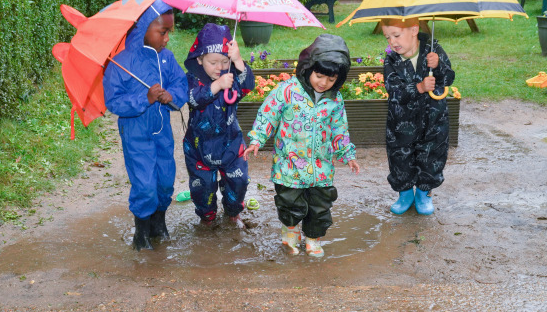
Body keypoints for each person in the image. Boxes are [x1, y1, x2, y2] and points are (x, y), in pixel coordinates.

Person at [244, 34, 360, 257]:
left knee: (320, 204)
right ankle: (290, 231)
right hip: (289, 165)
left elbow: (339, 129)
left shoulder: (335, 100)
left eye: (331, 79)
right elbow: (268, 114)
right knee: (289, 201)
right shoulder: (287, 90)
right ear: (308, 67)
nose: (323, 82)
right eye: (319, 76)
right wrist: (257, 139)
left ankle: (313, 239)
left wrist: (348, 154)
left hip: (321, 167)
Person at [103, 0, 188, 251]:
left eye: (169, 33)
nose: (166, 39)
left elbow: (180, 84)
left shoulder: (167, 59)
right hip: (136, 132)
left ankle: (158, 224)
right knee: (144, 183)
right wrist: (145, 97)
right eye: (162, 32)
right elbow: (114, 101)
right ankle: (141, 232)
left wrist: (171, 95)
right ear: (143, 28)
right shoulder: (122, 62)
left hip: (162, 131)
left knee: (165, 180)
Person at [380, 18, 455, 216]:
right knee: (400, 158)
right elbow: (393, 90)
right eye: (388, 37)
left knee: (431, 156)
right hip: (401, 122)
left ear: (414, 30)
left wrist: (438, 66)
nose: (392, 42)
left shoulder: (433, 51)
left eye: (396, 35)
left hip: (433, 119)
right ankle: (404, 193)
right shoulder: (391, 60)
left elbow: (448, 78)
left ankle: (424, 193)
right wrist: (419, 87)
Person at [183, 23, 255, 227]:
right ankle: (207, 216)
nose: (219, 67)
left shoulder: (232, 76)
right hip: (199, 147)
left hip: (230, 144)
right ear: (199, 59)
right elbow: (193, 99)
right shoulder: (192, 79)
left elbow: (249, 85)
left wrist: (238, 60)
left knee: (238, 181)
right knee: (202, 186)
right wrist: (216, 86)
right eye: (213, 62)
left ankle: (233, 212)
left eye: (224, 61)